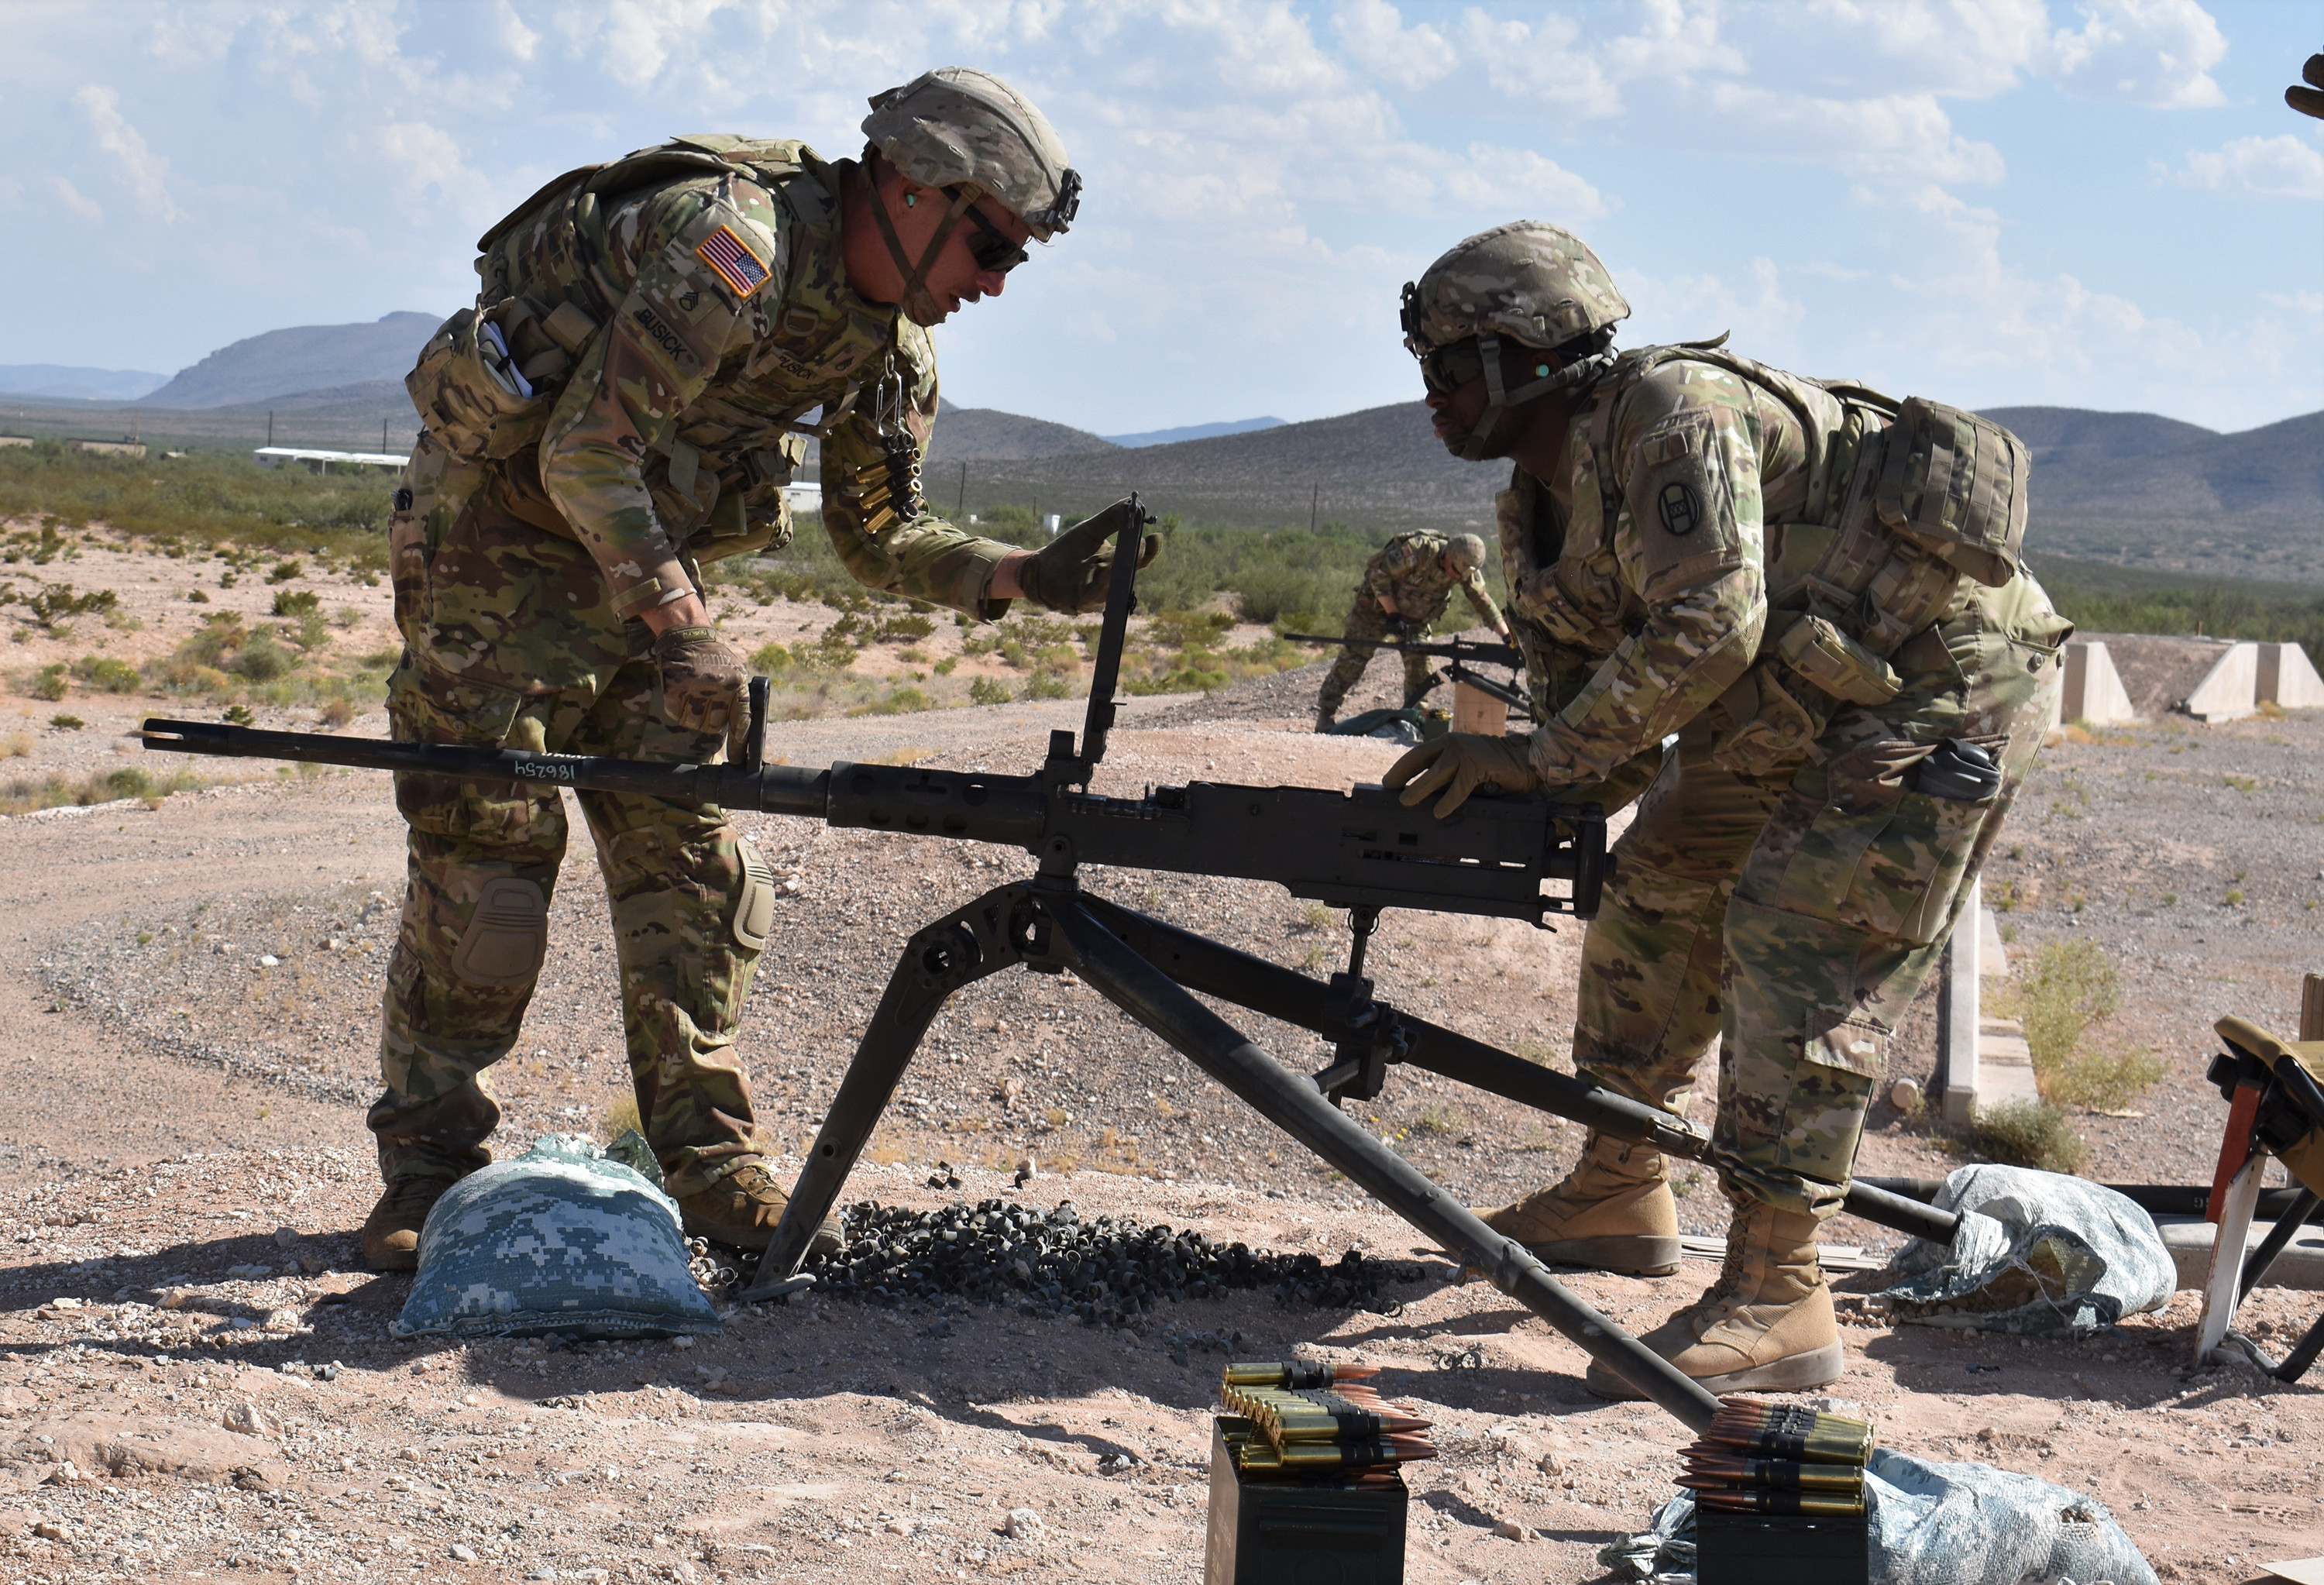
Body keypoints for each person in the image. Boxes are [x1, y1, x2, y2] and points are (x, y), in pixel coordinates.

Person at [365, 67, 1153, 1271]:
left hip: (639, 577)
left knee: (689, 861)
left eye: (1015, 260)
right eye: (989, 243)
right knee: (491, 865)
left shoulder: (892, 349)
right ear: (909, 187)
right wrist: (684, 627)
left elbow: (879, 532)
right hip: (498, 560)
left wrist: (1017, 574)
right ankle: (427, 1172)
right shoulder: (731, 243)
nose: (993, 282)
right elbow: (586, 452)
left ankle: (711, 1164)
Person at [1383, 221, 2065, 1394]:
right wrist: (1479, 798)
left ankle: (1778, 1295)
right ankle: (1620, 1181)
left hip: (1936, 673)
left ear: (1523, 356)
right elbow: (1593, 722)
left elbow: (1710, 624)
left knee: (1797, 934)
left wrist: (1541, 759)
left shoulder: (1670, 412)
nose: (1431, 396)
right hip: (1793, 690)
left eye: (1449, 367)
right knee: (1657, 888)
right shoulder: (1529, 508)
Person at [1315, 531, 1511, 731]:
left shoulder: (1463, 567)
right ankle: (1326, 713)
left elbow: (1482, 601)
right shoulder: (1421, 549)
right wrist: (1392, 613)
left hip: (1415, 620)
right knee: (1353, 659)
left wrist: (1506, 636)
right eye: (1456, 571)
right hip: (1374, 610)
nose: (1458, 578)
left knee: (1421, 665)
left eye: (1462, 575)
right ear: (1448, 555)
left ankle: (1413, 719)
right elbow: (1378, 574)